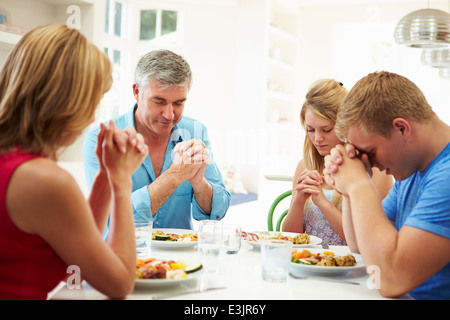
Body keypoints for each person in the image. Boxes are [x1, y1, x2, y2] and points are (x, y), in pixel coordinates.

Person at [0, 25, 148, 299]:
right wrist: (122, 182)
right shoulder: (44, 180)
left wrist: (105, 175)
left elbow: (78, 249)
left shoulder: (15, 165)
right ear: (66, 101)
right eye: (92, 102)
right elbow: (119, 285)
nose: (93, 117)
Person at [323, 71, 450, 300]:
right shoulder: (411, 170)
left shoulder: (446, 176)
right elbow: (360, 246)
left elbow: (390, 279)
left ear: (401, 128)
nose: (370, 162)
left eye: (369, 152)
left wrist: (359, 185)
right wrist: (352, 183)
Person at [83, 49, 230, 233]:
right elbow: (112, 220)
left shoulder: (195, 132)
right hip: (125, 259)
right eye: (159, 102)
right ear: (137, 92)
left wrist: (200, 184)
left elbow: (218, 210)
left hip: (181, 261)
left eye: (178, 103)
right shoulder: (101, 139)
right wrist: (174, 176)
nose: (169, 115)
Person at [282, 79, 392, 246]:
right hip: (310, 263)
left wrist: (323, 203)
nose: (317, 139)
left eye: (326, 130)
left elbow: (368, 242)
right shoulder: (305, 166)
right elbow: (290, 238)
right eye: (310, 130)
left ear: (345, 127)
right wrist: (298, 202)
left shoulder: (374, 170)